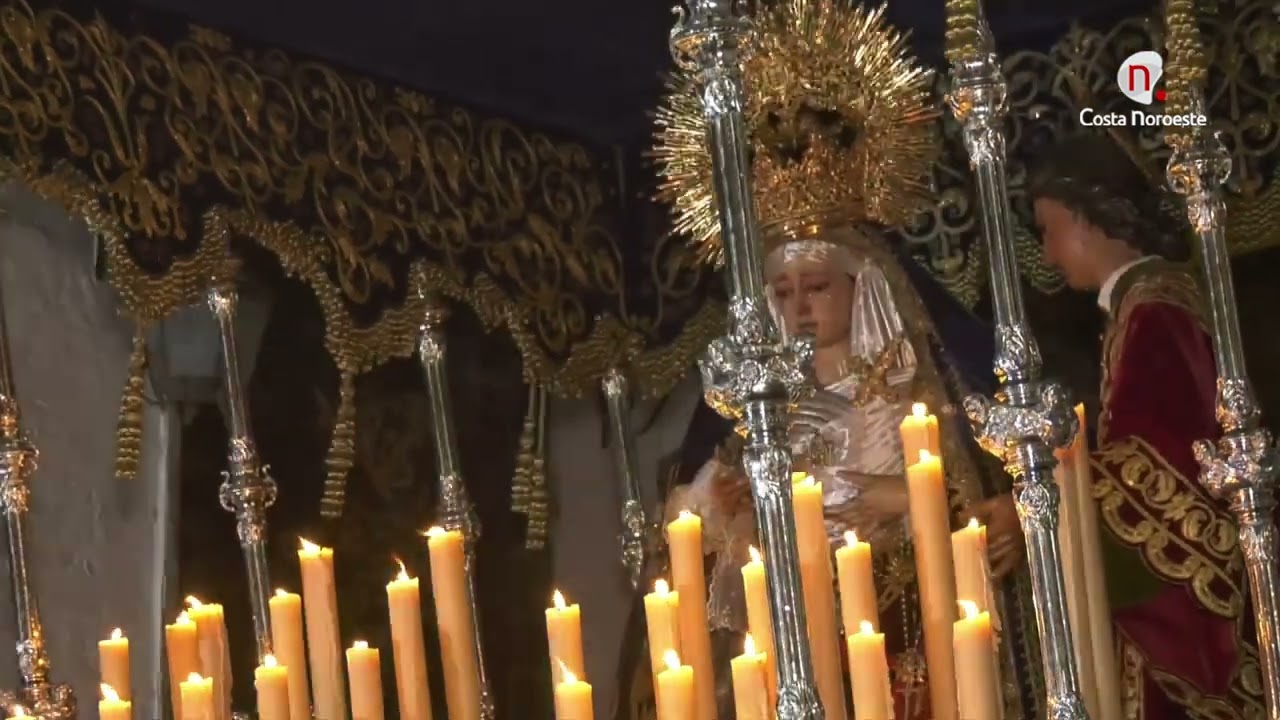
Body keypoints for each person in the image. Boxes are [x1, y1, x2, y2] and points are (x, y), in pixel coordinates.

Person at [612, 2, 1045, 718]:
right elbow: (698, 530)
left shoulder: (919, 385)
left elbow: (983, 497)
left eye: (816, 287)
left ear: (861, 284)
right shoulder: (758, 403)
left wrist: (929, 503)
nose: (798, 307)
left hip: (912, 621)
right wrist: (727, 511)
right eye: (782, 292)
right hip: (798, 636)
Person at [1006, 132, 1264, 718]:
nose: (1048, 255)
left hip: (1190, 610)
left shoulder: (1155, 313)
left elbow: (1160, 470)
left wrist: (1038, 499)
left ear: (1085, 217)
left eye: (1048, 230)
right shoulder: (1142, 307)